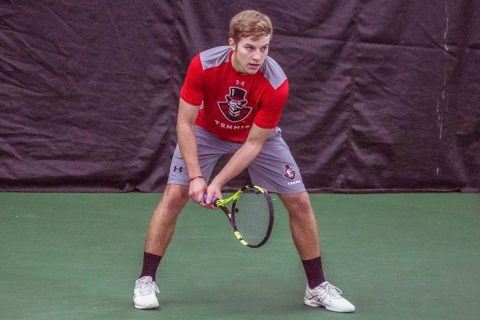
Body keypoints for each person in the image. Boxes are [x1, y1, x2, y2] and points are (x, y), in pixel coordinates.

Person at [133, 9, 355, 313]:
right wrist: (197, 177)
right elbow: (184, 123)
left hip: (255, 138)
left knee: (301, 202)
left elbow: (254, 143)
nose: (257, 56)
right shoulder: (204, 65)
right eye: (250, 47)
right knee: (174, 195)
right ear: (232, 44)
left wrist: (219, 182)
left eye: (264, 48)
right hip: (206, 131)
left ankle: (316, 287)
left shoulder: (276, 83)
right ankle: (146, 279)